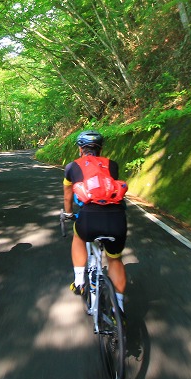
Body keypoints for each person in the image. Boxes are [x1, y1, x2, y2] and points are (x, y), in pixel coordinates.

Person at [63, 130, 128, 314]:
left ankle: (79, 281)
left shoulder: (71, 167)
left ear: (80, 148)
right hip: (117, 219)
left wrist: (68, 214)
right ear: (100, 148)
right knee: (115, 260)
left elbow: (68, 199)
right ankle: (119, 309)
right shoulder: (112, 165)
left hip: (89, 217)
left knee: (78, 235)